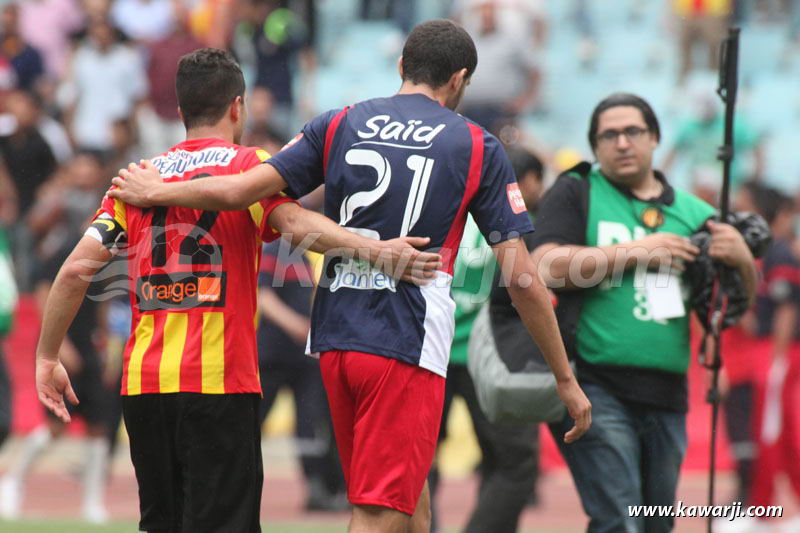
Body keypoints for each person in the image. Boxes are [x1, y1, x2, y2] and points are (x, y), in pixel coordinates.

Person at [109, 19, 592, 533]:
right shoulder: (476, 145)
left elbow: (237, 191)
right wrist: (564, 377)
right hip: (405, 338)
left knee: (411, 502)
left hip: (337, 337)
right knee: (380, 512)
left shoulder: (338, 123)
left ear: (401, 66)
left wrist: (157, 191)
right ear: (460, 79)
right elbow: (520, 279)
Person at [34, 48, 441, 533]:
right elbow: (295, 223)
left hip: (144, 385)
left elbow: (76, 271)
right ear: (237, 107)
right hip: (219, 385)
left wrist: (46, 355)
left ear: (182, 112)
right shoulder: (249, 168)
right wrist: (377, 251)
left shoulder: (137, 179)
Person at [530, 93, 758, 533]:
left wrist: (744, 261)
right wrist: (637, 251)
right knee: (620, 520)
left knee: (655, 524)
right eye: (608, 135)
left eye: (632, 131)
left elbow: (735, 305)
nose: (621, 143)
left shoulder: (694, 213)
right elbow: (543, 268)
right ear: (595, 147)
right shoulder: (577, 190)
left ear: (655, 137)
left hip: (668, 395)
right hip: (592, 385)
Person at [429, 146, 546, 533]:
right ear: (525, 182)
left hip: (430, 352)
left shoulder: (438, 209)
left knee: (418, 461)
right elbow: (528, 288)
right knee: (515, 463)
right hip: (494, 357)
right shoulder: (523, 224)